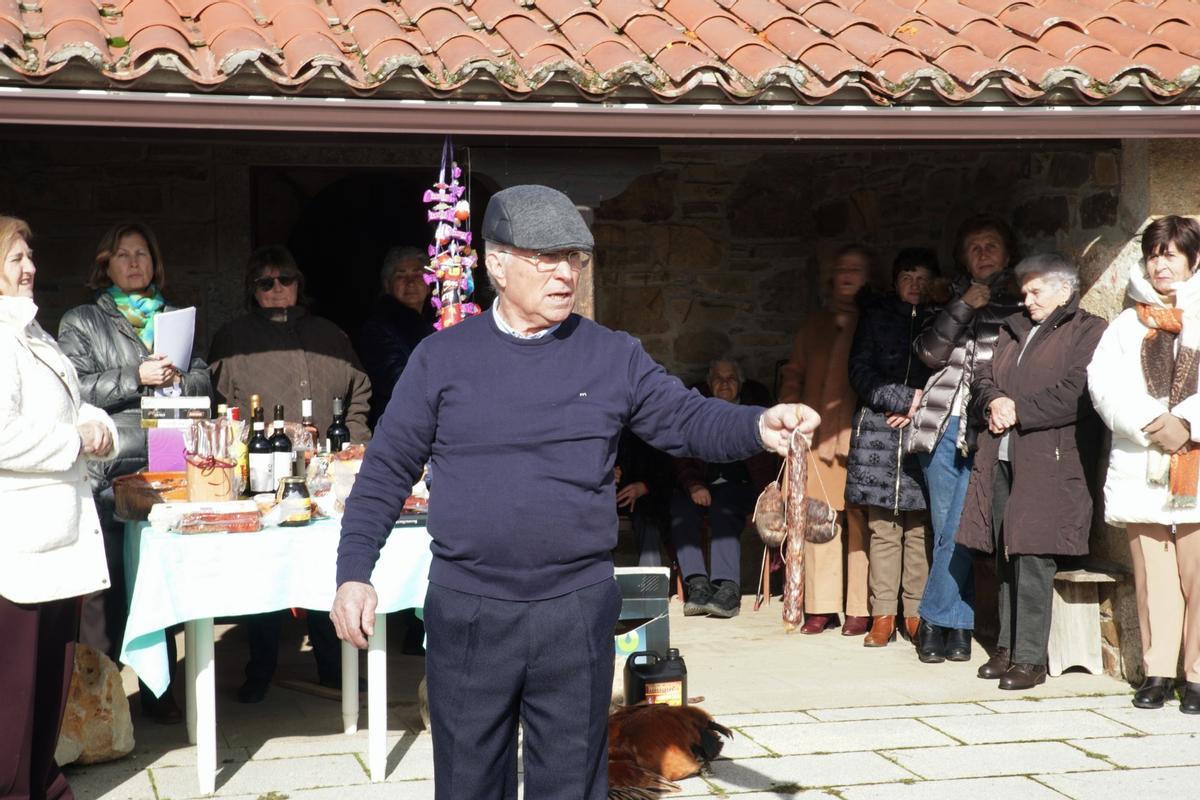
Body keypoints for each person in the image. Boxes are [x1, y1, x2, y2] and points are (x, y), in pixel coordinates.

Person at [330, 185, 820, 800]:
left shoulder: (611, 355)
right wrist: (354, 572)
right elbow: (385, 470)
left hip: (575, 608)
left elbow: (684, 417)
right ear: (496, 264)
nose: (565, 273)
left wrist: (755, 423)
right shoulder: (442, 359)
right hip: (471, 607)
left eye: (575, 259)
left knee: (571, 783)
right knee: (468, 781)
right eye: (546, 258)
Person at [58, 221, 211, 724]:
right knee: (106, 591)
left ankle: (158, 690)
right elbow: (72, 389)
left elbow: (203, 379)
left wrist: (178, 375)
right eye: (122, 255)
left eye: (142, 254)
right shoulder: (82, 321)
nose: (133, 263)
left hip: (167, 459)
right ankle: (97, 705)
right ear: (106, 263)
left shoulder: (173, 316)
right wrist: (136, 376)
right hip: (110, 465)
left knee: (157, 576)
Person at [208, 245, 372, 702]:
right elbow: (220, 404)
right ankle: (259, 670)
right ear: (252, 290)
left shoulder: (329, 333)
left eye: (286, 280)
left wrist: (353, 442)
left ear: (299, 284)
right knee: (266, 572)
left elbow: (359, 389)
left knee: (328, 566)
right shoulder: (233, 338)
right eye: (266, 282)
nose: (277, 289)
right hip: (263, 469)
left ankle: (333, 668)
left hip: (323, 470)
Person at [0, 216, 119, 800]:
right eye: (16, 258)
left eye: (30, 256)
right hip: (20, 547)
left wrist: (95, 422)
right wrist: (75, 439)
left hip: (58, 540)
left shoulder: (34, 333)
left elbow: (71, 400)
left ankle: (40, 784)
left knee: (49, 686)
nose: (31, 268)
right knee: (15, 696)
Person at [957, 254, 1105, 689]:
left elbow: (1076, 392)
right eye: (1024, 291)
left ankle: (1030, 657)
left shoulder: (1087, 330)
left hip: (1050, 458)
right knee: (1005, 551)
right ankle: (1006, 646)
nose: (1027, 299)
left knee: (1034, 553)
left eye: (1036, 290)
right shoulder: (1013, 328)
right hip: (1002, 453)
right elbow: (982, 376)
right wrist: (993, 403)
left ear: (1064, 290)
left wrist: (1018, 410)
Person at [1088, 215, 1200, 713]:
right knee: (1153, 578)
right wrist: (1156, 422)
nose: (1161, 264)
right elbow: (1104, 386)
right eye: (1154, 254)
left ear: (1193, 260)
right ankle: (1158, 672)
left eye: (1172, 253)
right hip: (1145, 461)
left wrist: (1189, 425)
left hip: (1195, 459)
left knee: (1198, 576)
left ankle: (1196, 676)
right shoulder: (1126, 324)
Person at [908, 215, 1023, 664]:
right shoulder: (943, 300)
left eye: (991, 245)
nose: (982, 253)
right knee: (947, 527)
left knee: (961, 526)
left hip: (984, 428)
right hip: (939, 426)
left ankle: (936, 619)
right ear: (962, 258)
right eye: (973, 247)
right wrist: (964, 305)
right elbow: (928, 354)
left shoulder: (1019, 305)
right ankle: (956, 624)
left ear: (1008, 254)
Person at [778, 244, 872, 636]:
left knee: (860, 523)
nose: (848, 275)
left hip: (859, 433)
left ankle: (860, 607)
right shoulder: (814, 325)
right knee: (819, 521)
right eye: (842, 268)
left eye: (857, 269)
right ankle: (819, 606)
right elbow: (794, 373)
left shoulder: (873, 320)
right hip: (815, 437)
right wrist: (788, 412)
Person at [845, 248, 937, 647]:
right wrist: (900, 399)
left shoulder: (939, 321)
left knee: (918, 527)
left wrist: (920, 405)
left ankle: (913, 613)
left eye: (922, 279)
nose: (914, 286)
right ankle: (882, 614)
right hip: (880, 432)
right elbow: (860, 371)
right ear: (895, 281)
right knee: (883, 527)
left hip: (924, 431)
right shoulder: (876, 317)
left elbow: (949, 372)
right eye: (907, 277)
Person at [670, 358, 779, 618]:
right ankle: (697, 584)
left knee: (725, 506)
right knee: (680, 507)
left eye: (731, 378)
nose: (724, 383)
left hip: (744, 486)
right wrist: (694, 484)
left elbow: (766, 461)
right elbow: (681, 453)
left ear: (740, 384)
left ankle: (726, 588)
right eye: (718, 378)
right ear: (709, 384)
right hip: (703, 485)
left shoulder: (754, 414)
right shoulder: (699, 414)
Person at [357, 245, 436, 429]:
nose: (410, 282)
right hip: (401, 428)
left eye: (417, 274)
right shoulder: (377, 328)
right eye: (401, 275)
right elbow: (397, 381)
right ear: (387, 285)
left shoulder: (437, 320)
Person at [615, 428, 674, 568]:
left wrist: (644, 487)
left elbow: (668, 473)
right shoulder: (609, 429)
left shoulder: (657, 430)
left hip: (648, 495)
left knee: (648, 516)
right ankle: (599, 576)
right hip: (610, 493)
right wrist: (606, 474)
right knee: (596, 514)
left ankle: (650, 573)